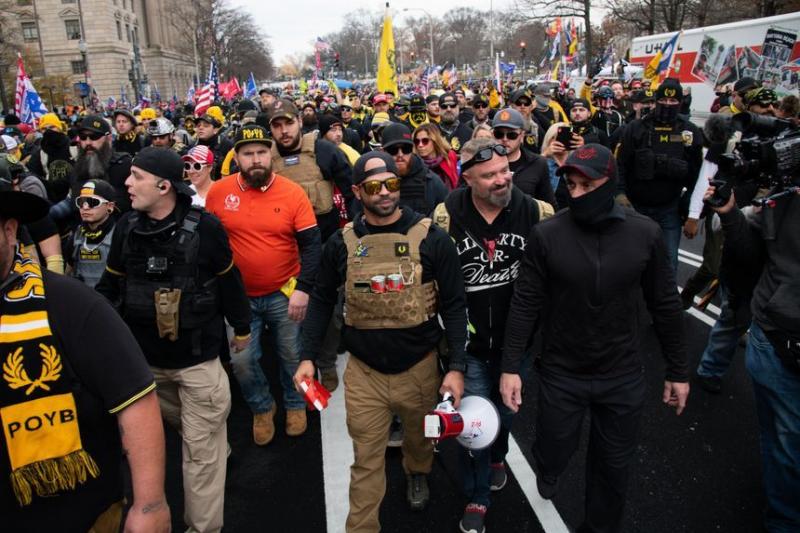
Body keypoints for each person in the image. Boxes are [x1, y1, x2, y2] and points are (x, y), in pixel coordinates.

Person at [500, 143, 689, 533]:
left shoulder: (646, 234)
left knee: (613, 468)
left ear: (609, 183)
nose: (577, 193)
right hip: (561, 371)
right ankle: (549, 468)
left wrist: (679, 370)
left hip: (621, 374)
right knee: (553, 447)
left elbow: (666, 304)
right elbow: (525, 303)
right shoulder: (547, 234)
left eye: (588, 185)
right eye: (570, 184)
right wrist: (510, 366)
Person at [294, 151, 467, 532]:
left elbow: (454, 305)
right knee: (366, 460)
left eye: (391, 183)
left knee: (421, 441)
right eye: (374, 186)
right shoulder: (340, 244)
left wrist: (456, 368)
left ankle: (417, 471)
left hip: (420, 367)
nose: (385, 192)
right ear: (357, 191)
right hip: (365, 375)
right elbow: (321, 300)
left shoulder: (433, 239)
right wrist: (307, 356)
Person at [96, 146, 252, 533]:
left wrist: (242, 328)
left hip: (198, 364)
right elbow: (110, 286)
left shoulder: (207, 229)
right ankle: (217, 443)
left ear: (164, 186)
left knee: (198, 458)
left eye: (136, 177)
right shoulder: (128, 228)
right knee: (192, 435)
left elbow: (229, 281)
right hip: (146, 369)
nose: (127, 184)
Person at [1, 183, 169, 532]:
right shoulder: (78, 234)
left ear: (10, 229)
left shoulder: (72, 305)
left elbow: (135, 397)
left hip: (71, 514)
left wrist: (149, 505)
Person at [434, 139, 543, 533]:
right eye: (490, 175)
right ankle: (477, 495)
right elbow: (441, 286)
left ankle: (498, 454)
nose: (502, 180)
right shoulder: (445, 215)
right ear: (467, 179)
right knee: (475, 424)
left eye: (504, 170)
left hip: (518, 344)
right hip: (470, 346)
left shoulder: (533, 211)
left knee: (507, 413)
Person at [206, 124, 321, 444]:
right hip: (238, 299)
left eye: (261, 152)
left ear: (270, 154)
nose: (255, 159)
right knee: (242, 362)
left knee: (291, 354)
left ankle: (296, 403)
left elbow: (312, 245)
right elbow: (209, 243)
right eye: (247, 154)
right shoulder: (219, 192)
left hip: (285, 293)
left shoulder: (292, 191)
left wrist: (304, 289)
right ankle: (261, 407)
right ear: (237, 158)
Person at [706, 176, 800, 533]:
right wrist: (730, 213)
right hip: (778, 338)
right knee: (785, 441)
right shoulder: (784, 201)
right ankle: (784, 519)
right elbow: (746, 251)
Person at [615, 78, 703, 272]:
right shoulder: (636, 128)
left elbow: (698, 174)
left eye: (673, 102)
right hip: (636, 206)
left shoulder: (689, 131)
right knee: (631, 260)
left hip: (669, 208)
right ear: (656, 100)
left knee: (668, 262)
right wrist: (620, 194)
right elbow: (621, 164)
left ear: (680, 103)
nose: (668, 105)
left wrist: (693, 213)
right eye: (664, 100)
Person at [267, 98, 354, 242]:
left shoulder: (325, 151)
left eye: (289, 123)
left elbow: (352, 192)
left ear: (300, 121)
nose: (284, 131)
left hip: (326, 239)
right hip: (285, 242)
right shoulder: (266, 158)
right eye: (277, 126)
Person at [491, 108, 556, 207]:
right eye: (499, 134)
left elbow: (549, 205)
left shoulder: (538, 163)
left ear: (522, 136)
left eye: (511, 135)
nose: (504, 139)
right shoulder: (482, 161)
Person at [381, 123, 448, 217]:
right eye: (393, 150)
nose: (400, 155)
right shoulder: (373, 181)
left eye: (406, 149)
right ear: (383, 151)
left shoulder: (431, 181)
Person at [68, 179, 117, 288]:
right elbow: (68, 271)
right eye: (81, 202)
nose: (85, 207)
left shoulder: (119, 235)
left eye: (92, 202)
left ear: (110, 206)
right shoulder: (77, 234)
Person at [540, 122, 585, 209]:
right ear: (548, 140)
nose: (558, 141)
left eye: (562, 137)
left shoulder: (577, 162)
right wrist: (544, 154)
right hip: (550, 214)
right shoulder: (542, 162)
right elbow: (529, 177)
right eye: (554, 137)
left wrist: (583, 151)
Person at [413, 123, 460, 191]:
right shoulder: (414, 163)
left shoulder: (449, 157)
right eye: (417, 141)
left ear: (435, 141)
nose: (420, 145)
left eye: (425, 141)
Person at [195, 110, 234, 181]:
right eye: (198, 125)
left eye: (206, 125)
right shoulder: (193, 147)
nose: (200, 128)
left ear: (215, 130)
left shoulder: (226, 145)